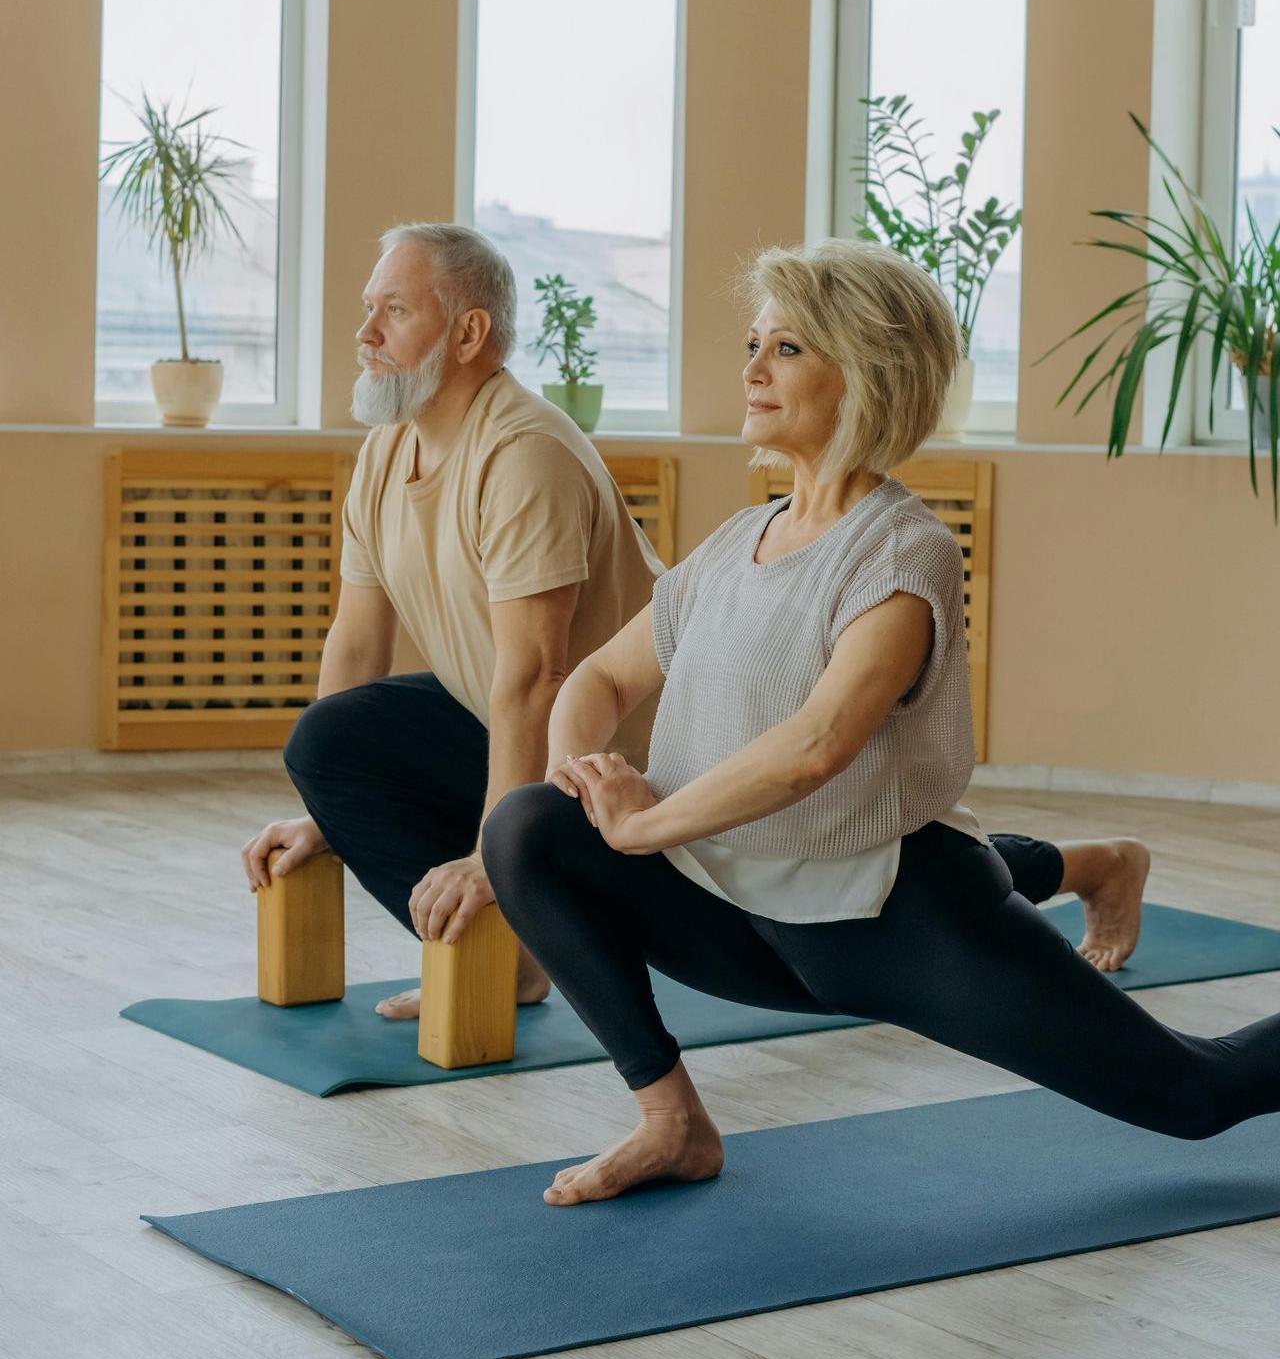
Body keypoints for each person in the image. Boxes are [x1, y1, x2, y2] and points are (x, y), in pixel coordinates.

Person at [481, 237, 1280, 1207]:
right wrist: (583, 777)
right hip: (728, 905)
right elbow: (601, 674)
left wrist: (641, 822)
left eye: (785, 348)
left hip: (884, 921)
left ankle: (1095, 865)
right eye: (752, 342)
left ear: (863, 371)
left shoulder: (901, 552)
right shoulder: (740, 539)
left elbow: (818, 746)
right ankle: (672, 1121)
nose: (750, 369)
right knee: (525, 826)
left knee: (1194, 1094)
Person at [240, 222, 664, 1016]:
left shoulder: (524, 452)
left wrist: (489, 860)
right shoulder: (388, 450)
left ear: (469, 332)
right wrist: (326, 812)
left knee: (501, 712)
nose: (366, 333)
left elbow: (539, 677)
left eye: (394, 311)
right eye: (370, 309)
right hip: (511, 720)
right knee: (329, 742)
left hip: (625, 759)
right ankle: (507, 943)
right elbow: (358, 639)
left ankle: (519, 950)